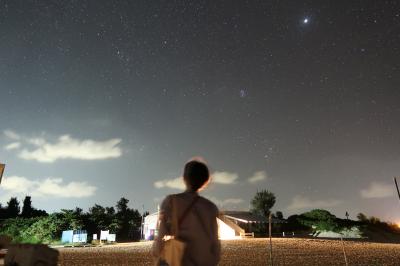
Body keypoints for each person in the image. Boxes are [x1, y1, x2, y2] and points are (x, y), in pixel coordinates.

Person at [153, 159, 221, 266]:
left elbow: (160, 237)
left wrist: (158, 255)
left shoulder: (172, 202)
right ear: (205, 181)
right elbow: (215, 245)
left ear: (184, 178)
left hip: (181, 261)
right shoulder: (211, 208)